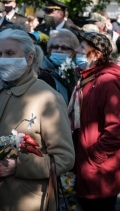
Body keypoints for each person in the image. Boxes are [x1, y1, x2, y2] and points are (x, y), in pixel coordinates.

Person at [0, 28, 75, 210]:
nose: (3, 59)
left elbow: (64, 158)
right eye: (0, 53)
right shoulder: (2, 91)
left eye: (10, 53)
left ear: (30, 58)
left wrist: (17, 166)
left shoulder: (48, 98)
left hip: (28, 201)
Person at [70, 31, 120, 211]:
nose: (78, 51)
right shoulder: (88, 77)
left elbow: (117, 127)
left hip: (99, 170)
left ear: (96, 54)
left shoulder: (107, 81)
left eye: (82, 48)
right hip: (88, 166)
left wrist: (95, 157)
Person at [39, 29, 80, 104]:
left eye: (64, 48)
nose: (59, 50)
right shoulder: (42, 69)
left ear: (73, 52)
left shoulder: (75, 71)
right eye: (55, 47)